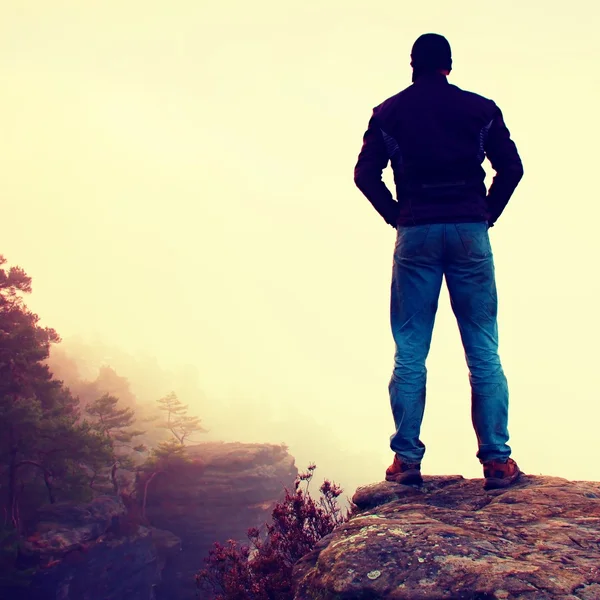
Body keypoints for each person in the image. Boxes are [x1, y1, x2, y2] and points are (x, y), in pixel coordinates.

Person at [354, 33, 524, 490]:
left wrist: (398, 215)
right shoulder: (480, 108)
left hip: (416, 235)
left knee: (410, 350)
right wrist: (486, 212)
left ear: (413, 65)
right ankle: (497, 461)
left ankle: (406, 461)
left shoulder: (388, 113)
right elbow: (512, 168)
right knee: (483, 349)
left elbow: (364, 175)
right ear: (448, 65)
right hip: (470, 231)